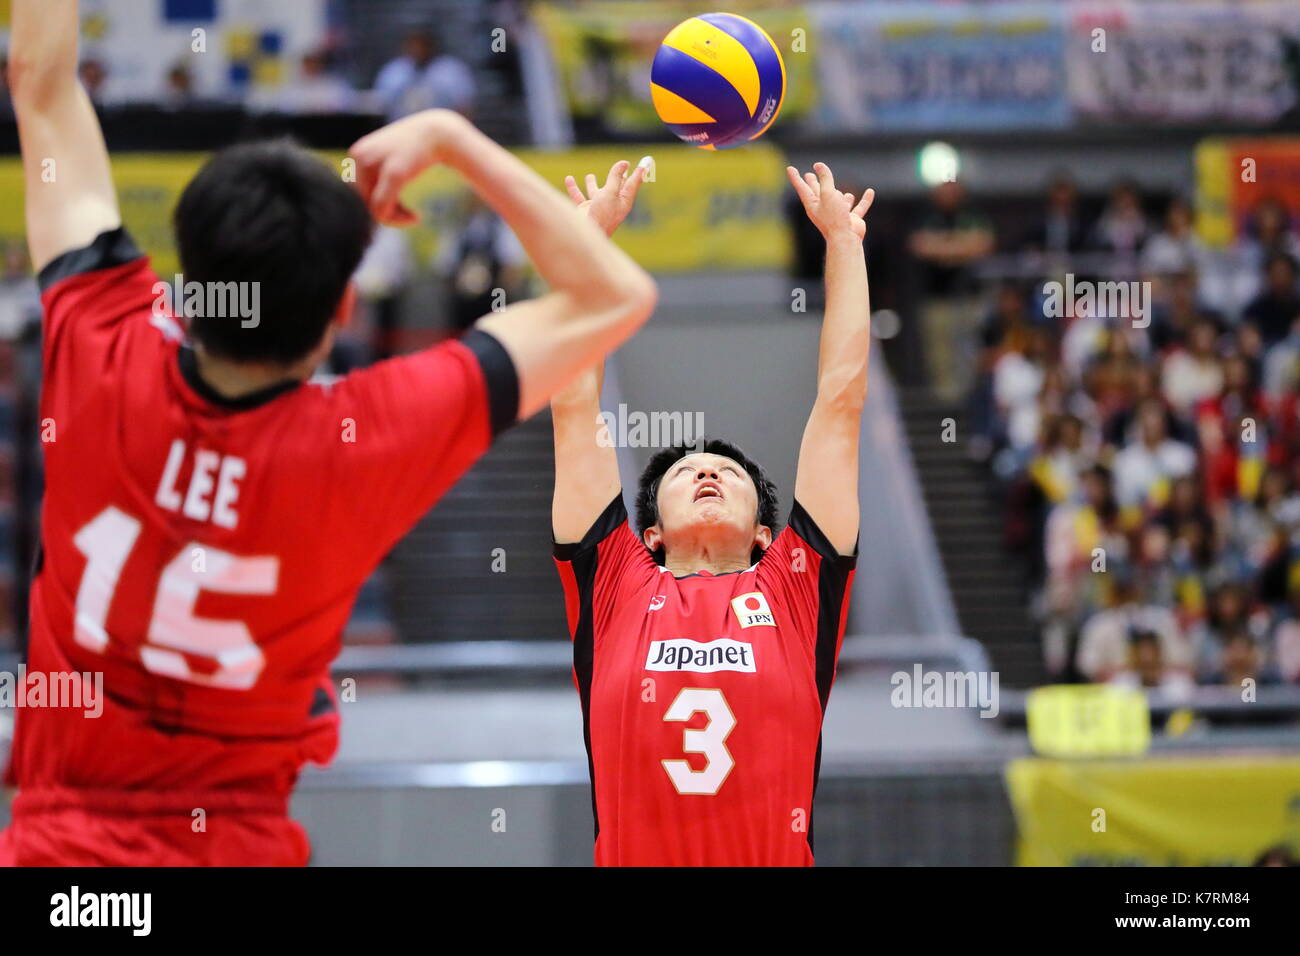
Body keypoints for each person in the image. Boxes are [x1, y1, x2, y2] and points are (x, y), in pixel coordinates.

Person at [0, 0, 656, 866]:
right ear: (342, 307)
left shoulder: (100, 343)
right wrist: (453, 142)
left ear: (189, 279)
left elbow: (42, 87)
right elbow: (616, 296)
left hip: (62, 869)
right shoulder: (372, 435)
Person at [549, 162, 870, 866]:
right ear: (650, 533)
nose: (706, 470)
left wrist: (844, 245)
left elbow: (840, 408)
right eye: (685, 470)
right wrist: (584, 247)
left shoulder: (794, 587)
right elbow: (574, 408)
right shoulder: (614, 584)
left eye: (729, 471)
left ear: (766, 533)